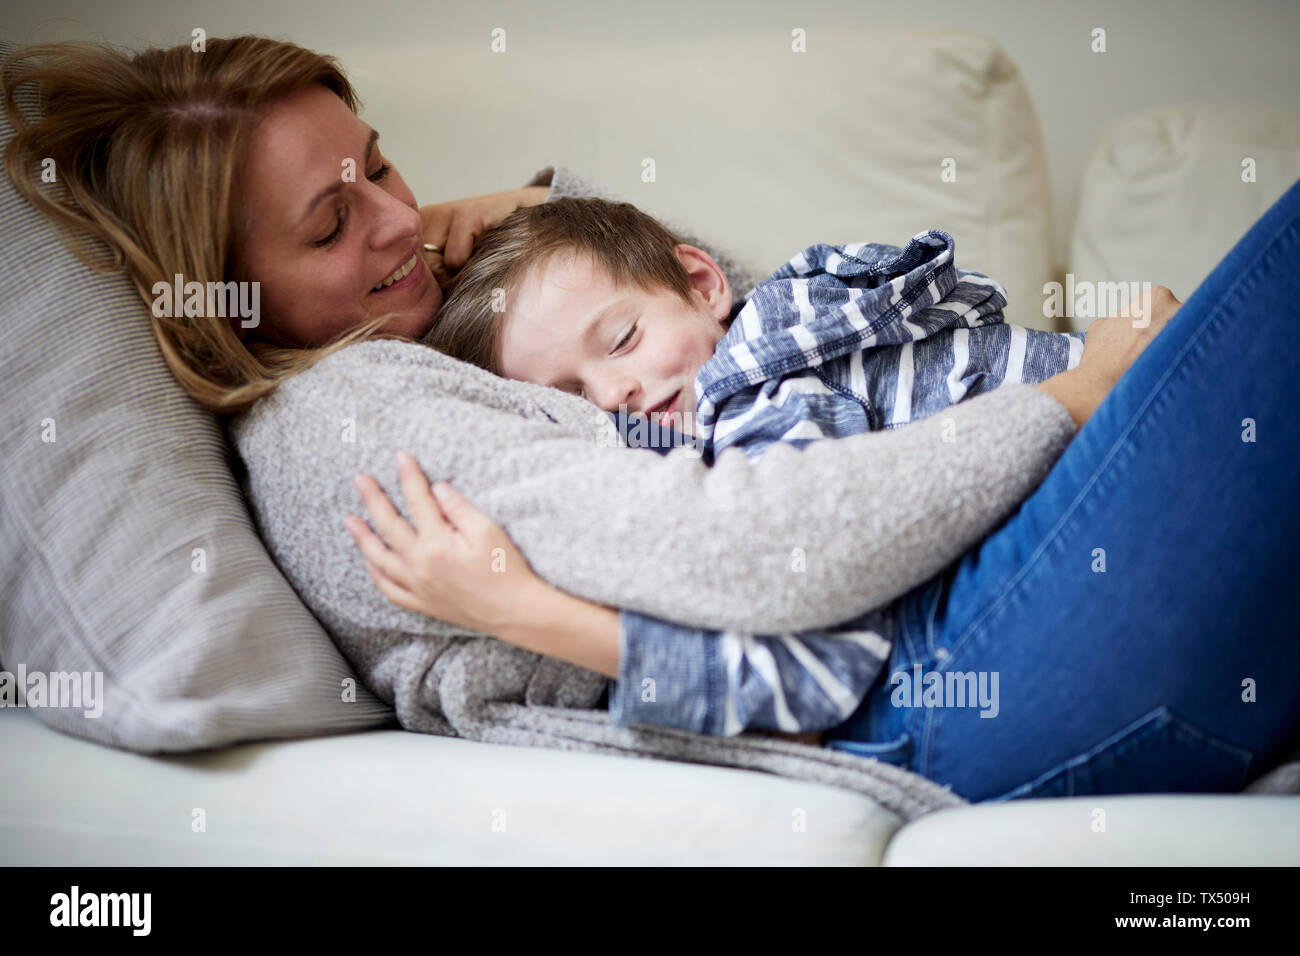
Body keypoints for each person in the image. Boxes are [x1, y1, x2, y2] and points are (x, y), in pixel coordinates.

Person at [6, 35, 1294, 803]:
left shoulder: (424, 324)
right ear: (233, 304)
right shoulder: (346, 419)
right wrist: (1078, 391)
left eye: (381, 164)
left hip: (982, 609)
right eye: (331, 224)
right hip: (966, 656)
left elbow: (742, 337)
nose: (398, 221)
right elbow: (749, 542)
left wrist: (526, 210)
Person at [423, 196, 1087, 464]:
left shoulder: (753, 372)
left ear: (708, 287)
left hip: (1112, 403)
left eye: (623, 339)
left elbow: (789, 516)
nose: (608, 395)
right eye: (568, 396)